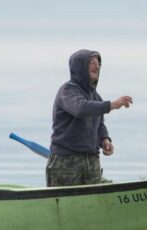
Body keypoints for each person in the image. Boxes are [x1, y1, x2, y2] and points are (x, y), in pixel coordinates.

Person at [46, 49, 133, 187]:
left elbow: (99, 125)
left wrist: (104, 139)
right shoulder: (68, 91)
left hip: (91, 160)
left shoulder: (96, 96)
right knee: (67, 205)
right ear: (79, 67)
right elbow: (80, 109)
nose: (97, 66)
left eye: (98, 63)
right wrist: (113, 105)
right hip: (66, 161)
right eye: (91, 62)